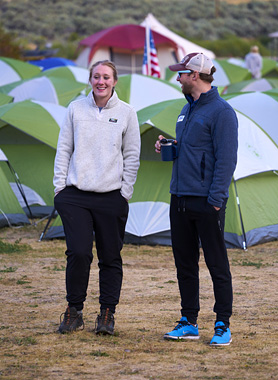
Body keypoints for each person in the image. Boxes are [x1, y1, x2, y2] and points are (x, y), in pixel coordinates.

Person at [155, 53, 238, 346]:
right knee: (185, 264)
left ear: (194, 76)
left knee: (217, 264)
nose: (177, 78)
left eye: (181, 74)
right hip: (179, 198)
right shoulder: (186, 109)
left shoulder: (222, 112)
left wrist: (215, 200)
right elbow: (196, 149)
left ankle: (222, 324)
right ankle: (189, 322)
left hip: (207, 201)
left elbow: (226, 159)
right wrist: (172, 146)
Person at [54, 60, 140, 335]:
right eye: (96, 76)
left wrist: (125, 192)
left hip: (111, 197)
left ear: (115, 81)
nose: (101, 81)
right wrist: (59, 189)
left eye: (106, 77)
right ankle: (74, 310)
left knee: (110, 256)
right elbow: (64, 149)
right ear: (90, 80)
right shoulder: (76, 109)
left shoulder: (127, 113)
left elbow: (132, 155)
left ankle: (106, 313)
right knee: (78, 253)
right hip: (75, 195)